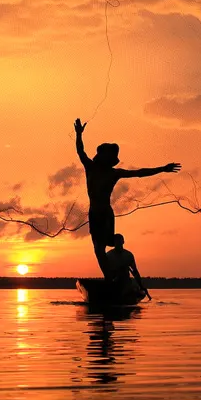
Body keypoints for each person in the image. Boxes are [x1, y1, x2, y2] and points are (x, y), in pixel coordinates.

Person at [74, 117, 179, 278]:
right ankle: (110, 277)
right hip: (94, 213)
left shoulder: (114, 173)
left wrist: (162, 169)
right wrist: (79, 134)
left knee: (103, 245)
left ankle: (116, 268)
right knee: (98, 249)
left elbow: (139, 173)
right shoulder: (90, 167)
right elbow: (80, 151)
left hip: (105, 214)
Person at [102, 233, 151, 301]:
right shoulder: (109, 255)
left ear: (123, 242)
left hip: (126, 281)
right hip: (113, 282)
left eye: (119, 241)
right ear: (114, 243)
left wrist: (141, 286)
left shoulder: (128, 255)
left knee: (130, 286)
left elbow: (135, 271)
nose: (118, 243)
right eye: (116, 241)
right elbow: (106, 271)